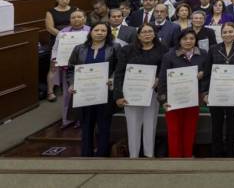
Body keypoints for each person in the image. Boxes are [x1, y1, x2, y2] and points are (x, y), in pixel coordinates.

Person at [114, 22, 167, 158]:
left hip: (151, 94)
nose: (147, 34)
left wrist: (158, 79)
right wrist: (118, 95)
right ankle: (134, 157)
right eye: (144, 32)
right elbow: (119, 73)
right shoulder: (127, 50)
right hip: (130, 94)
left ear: (155, 34)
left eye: (150, 31)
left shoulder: (163, 50)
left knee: (150, 126)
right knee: (133, 127)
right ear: (138, 35)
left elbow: (165, 70)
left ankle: (149, 156)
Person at [66, 20, 118, 157]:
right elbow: (71, 69)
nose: (100, 33)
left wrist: (112, 79)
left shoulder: (114, 47)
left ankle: (102, 155)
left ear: (108, 33)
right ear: (91, 32)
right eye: (96, 30)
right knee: (86, 127)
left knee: (104, 127)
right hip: (84, 95)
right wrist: (72, 83)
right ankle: (86, 155)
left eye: (103, 31)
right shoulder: (79, 48)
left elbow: (119, 68)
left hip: (105, 94)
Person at [158, 29, 208, 158]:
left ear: (195, 40)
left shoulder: (203, 54)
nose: (188, 41)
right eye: (185, 39)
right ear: (179, 41)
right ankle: (175, 158)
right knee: (174, 130)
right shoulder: (169, 56)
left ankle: (188, 156)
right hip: (173, 99)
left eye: (191, 38)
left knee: (190, 130)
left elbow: (209, 75)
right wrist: (163, 100)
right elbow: (163, 79)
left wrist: (203, 73)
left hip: (193, 98)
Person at [203, 22, 234, 157]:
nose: (228, 34)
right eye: (225, 32)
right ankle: (216, 152)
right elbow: (206, 72)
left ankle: (231, 152)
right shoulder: (213, 49)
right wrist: (205, 93)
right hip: (215, 91)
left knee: (232, 122)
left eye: (231, 32)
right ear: (221, 34)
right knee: (216, 123)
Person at [51, 9, 92, 127]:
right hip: (67, 68)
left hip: (85, 68)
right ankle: (67, 119)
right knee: (67, 94)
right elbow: (55, 48)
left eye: (79, 17)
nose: (76, 19)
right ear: (70, 20)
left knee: (82, 94)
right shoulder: (63, 32)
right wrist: (55, 58)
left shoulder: (90, 31)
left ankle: (81, 119)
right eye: (73, 17)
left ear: (84, 19)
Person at [44, 0, 76, 102]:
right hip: (58, 41)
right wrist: (63, 35)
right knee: (54, 67)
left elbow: (78, 22)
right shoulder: (50, 11)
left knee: (73, 65)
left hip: (74, 41)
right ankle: (50, 92)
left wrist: (70, 36)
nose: (65, 1)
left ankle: (70, 87)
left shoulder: (74, 10)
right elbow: (49, 28)